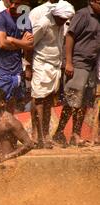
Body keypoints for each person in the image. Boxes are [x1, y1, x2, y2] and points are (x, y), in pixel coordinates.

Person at [52, 0, 100, 147]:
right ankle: (59, 133)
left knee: (84, 102)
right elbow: (70, 37)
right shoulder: (83, 15)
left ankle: (75, 134)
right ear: (92, 1)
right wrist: (69, 62)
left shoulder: (98, 18)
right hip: (78, 63)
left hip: (91, 65)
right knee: (72, 99)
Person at [30, 1, 75, 149]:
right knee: (39, 100)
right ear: (55, 15)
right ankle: (38, 136)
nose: (63, 22)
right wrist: (28, 66)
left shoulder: (62, 24)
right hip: (41, 64)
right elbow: (29, 44)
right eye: (61, 19)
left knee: (49, 100)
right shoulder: (43, 23)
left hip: (54, 65)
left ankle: (46, 135)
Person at [0, 0, 33, 114]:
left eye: (17, 3)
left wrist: (12, 40)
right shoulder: (1, 17)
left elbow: (30, 44)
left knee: (15, 104)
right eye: (12, 2)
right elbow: (2, 43)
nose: (13, 6)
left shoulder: (24, 18)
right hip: (1, 69)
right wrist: (22, 43)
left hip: (17, 70)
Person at [0, 88, 33, 163]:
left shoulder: (10, 122)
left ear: (2, 103)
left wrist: (6, 157)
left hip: (8, 164)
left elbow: (29, 144)